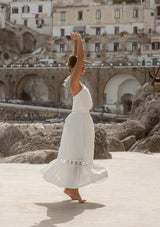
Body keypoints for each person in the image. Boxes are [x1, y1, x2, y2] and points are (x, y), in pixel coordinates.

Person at [41, 32, 108, 203]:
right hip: (77, 122)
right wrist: (79, 42)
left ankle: (70, 188)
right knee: (76, 155)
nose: (83, 68)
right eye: (81, 67)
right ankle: (73, 189)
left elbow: (78, 59)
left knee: (81, 154)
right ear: (73, 68)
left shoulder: (78, 82)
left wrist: (77, 43)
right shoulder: (73, 81)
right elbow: (79, 58)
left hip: (83, 122)